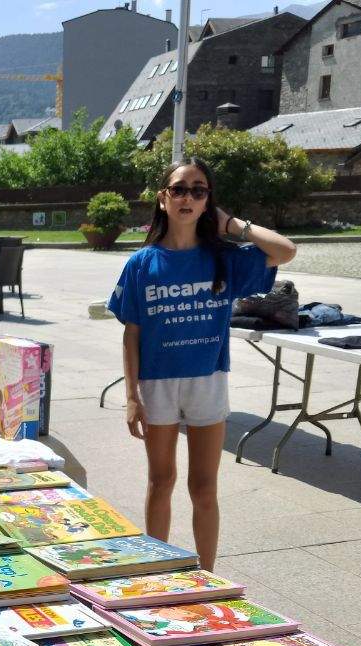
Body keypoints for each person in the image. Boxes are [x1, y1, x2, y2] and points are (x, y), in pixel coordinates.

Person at [110, 157, 295, 571]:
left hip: (207, 381)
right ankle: (156, 572)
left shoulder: (224, 258)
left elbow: (286, 250)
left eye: (199, 190)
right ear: (163, 199)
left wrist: (233, 225)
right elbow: (132, 332)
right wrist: (131, 397)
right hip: (157, 383)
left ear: (208, 201)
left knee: (204, 487)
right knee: (161, 482)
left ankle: (207, 577)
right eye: (179, 189)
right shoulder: (142, 264)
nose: (188, 197)